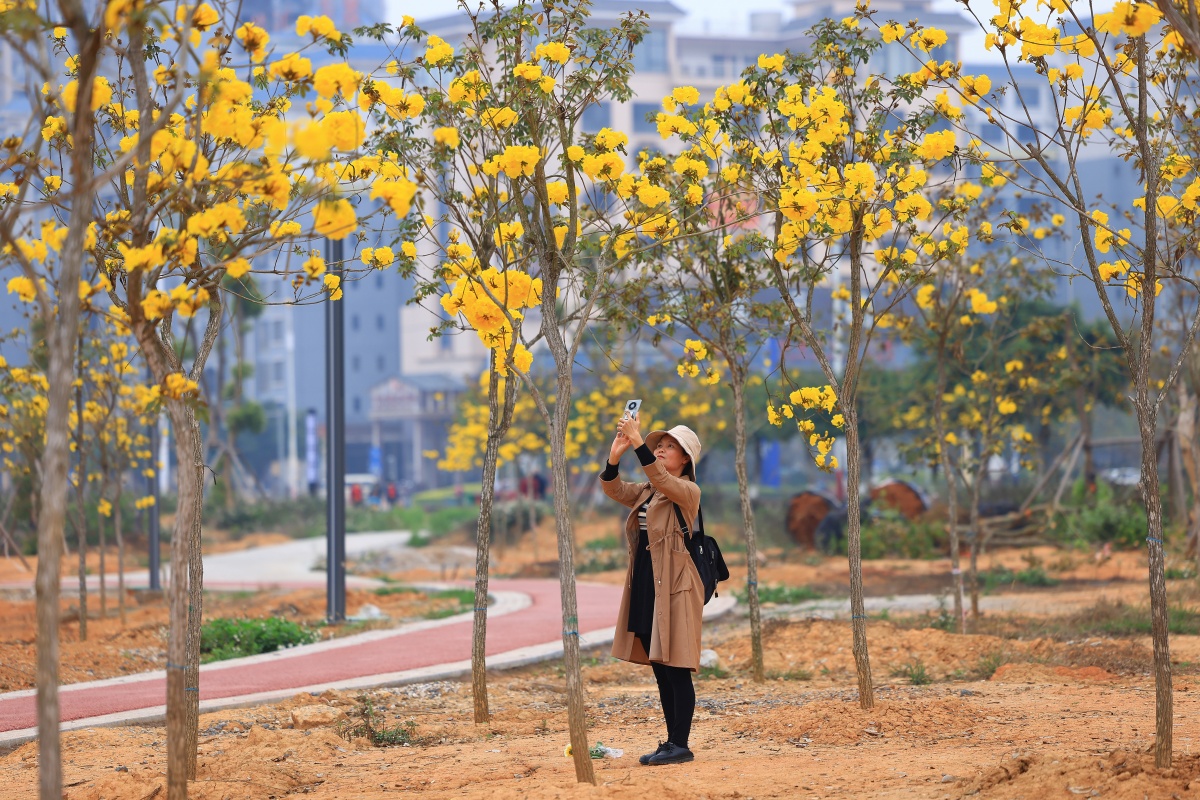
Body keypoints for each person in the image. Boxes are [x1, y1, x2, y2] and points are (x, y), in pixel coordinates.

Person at [601, 411, 704, 766]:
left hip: (676, 583)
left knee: (676, 664)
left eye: (668, 447)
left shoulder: (687, 491)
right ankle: (672, 742)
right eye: (658, 445)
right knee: (659, 664)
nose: (660, 450)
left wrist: (638, 439)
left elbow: (663, 480)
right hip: (649, 580)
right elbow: (615, 489)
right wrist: (615, 457)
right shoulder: (648, 489)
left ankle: (681, 744)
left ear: (685, 458)